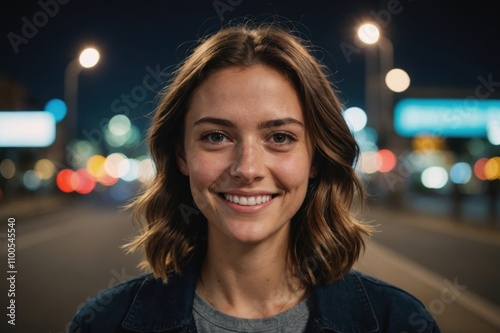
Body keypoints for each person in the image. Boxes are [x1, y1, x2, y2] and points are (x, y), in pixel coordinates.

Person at [68, 22, 440, 333]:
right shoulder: (101, 324)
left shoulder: (398, 322)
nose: (247, 169)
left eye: (280, 137)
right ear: (181, 154)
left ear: (315, 157)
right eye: (216, 136)